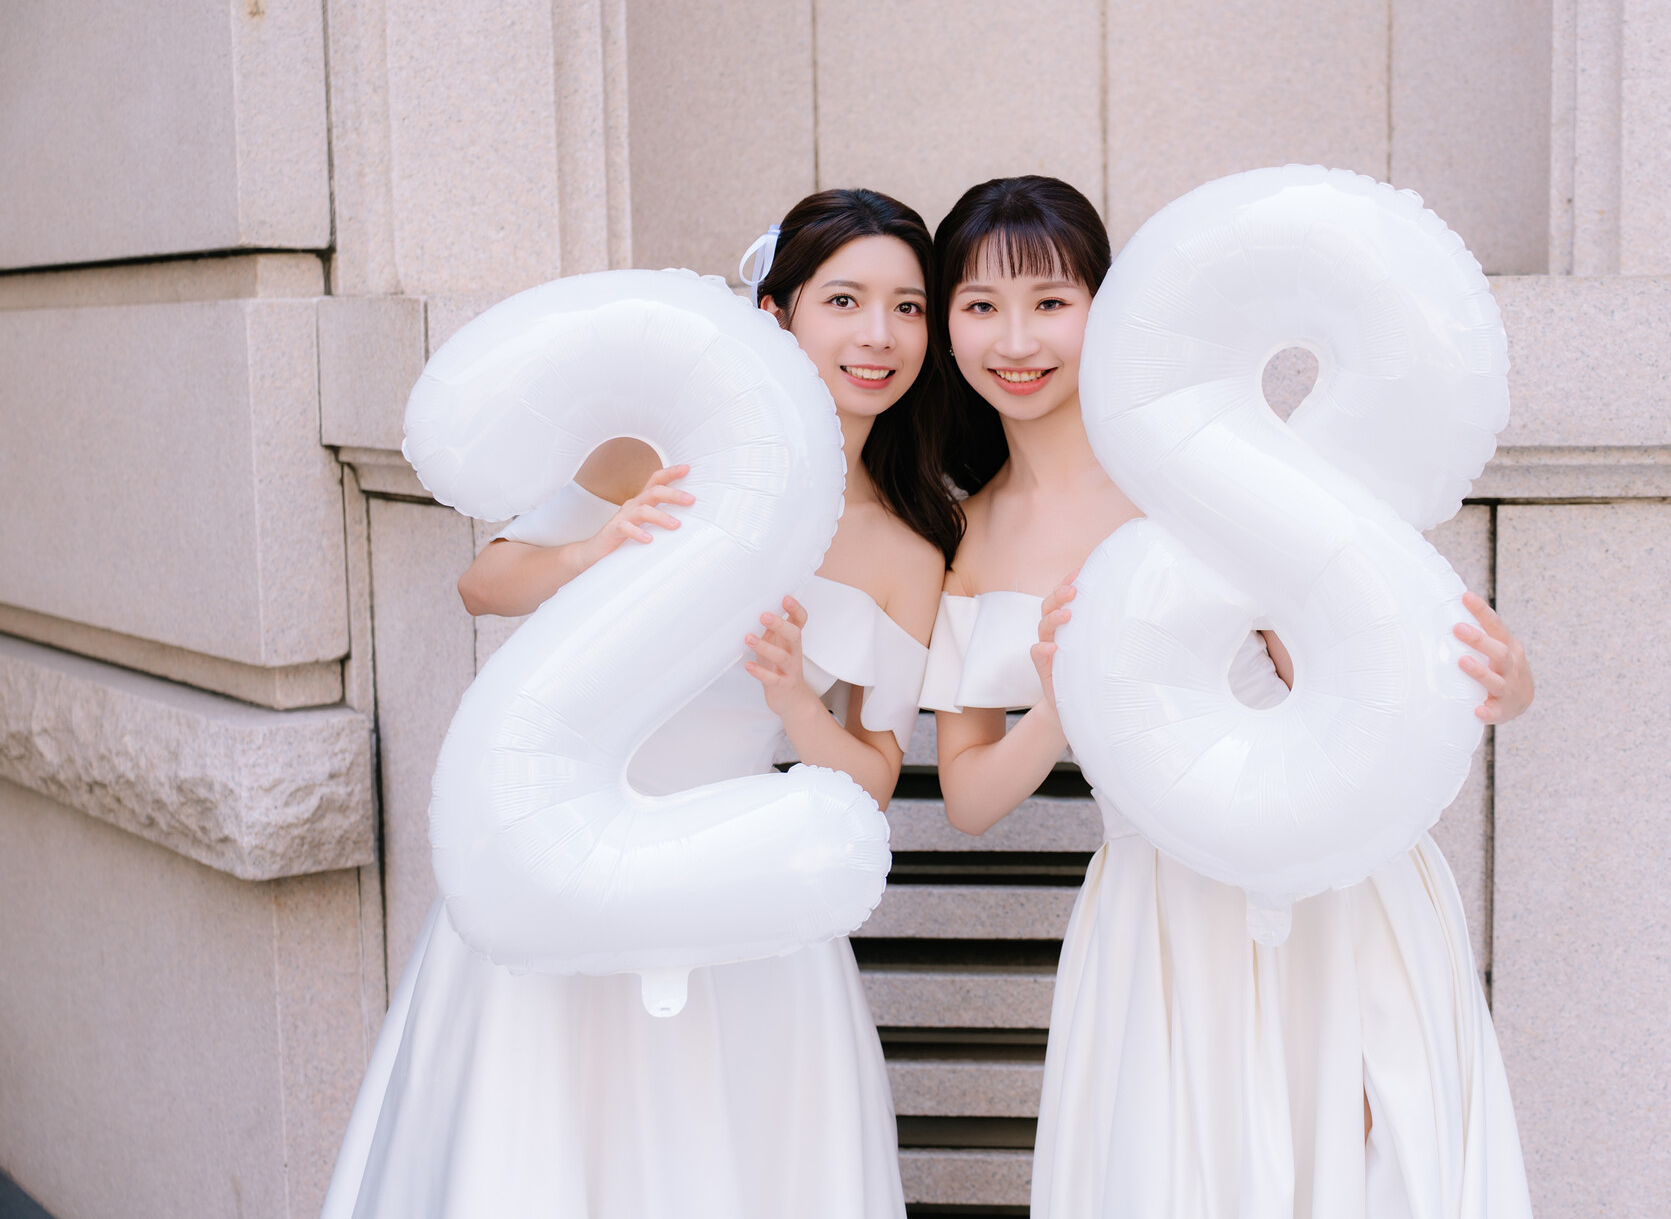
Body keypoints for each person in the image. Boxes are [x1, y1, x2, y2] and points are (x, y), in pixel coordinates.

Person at [322, 188, 956, 1219]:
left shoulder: (910, 550)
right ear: (776, 313)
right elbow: (483, 583)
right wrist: (597, 549)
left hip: (736, 891)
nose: (878, 334)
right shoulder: (661, 457)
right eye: (844, 300)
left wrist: (797, 703)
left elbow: (874, 778)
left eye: (908, 307)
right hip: (560, 859)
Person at [918, 175, 1536, 1218]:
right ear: (947, 323)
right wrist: (1066, 704)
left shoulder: (1207, 472)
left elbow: (1356, 665)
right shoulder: (965, 537)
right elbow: (971, 796)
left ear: (1111, 307)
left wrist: (1503, 683)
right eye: (981, 305)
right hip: (1163, 914)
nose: (1016, 339)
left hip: (1334, 876)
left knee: (1363, 1172)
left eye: (1051, 302)